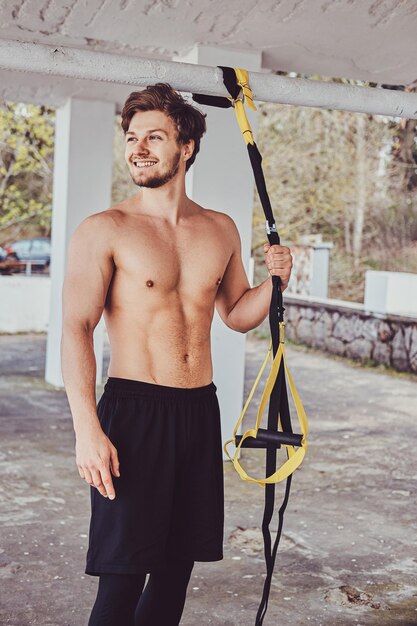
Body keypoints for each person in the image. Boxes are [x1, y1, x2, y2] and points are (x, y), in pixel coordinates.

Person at [61, 83, 293, 626]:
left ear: (186, 146)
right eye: (133, 137)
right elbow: (76, 326)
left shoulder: (219, 229)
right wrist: (86, 429)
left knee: (174, 575)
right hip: (133, 414)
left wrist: (275, 281)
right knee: (122, 579)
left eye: (154, 137)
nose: (138, 148)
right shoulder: (105, 230)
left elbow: (236, 314)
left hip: (197, 412)